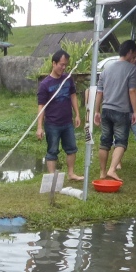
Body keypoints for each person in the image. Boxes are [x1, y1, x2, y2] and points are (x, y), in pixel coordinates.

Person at [94, 39, 136, 181]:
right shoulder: (132, 69)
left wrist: (96, 111)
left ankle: (102, 173)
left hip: (106, 109)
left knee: (104, 142)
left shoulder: (106, 69)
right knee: (121, 141)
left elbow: (99, 92)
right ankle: (112, 169)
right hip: (122, 110)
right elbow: (132, 91)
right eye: (134, 53)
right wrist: (135, 111)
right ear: (130, 52)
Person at [36, 49, 84, 183]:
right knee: (52, 151)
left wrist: (77, 114)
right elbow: (41, 106)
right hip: (52, 124)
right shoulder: (45, 84)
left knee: (71, 148)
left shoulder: (68, 79)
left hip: (67, 122)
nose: (63, 68)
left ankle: (71, 173)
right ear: (54, 63)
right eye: (61, 65)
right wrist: (39, 127)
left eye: (65, 65)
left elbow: (73, 95)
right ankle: (52, 179)